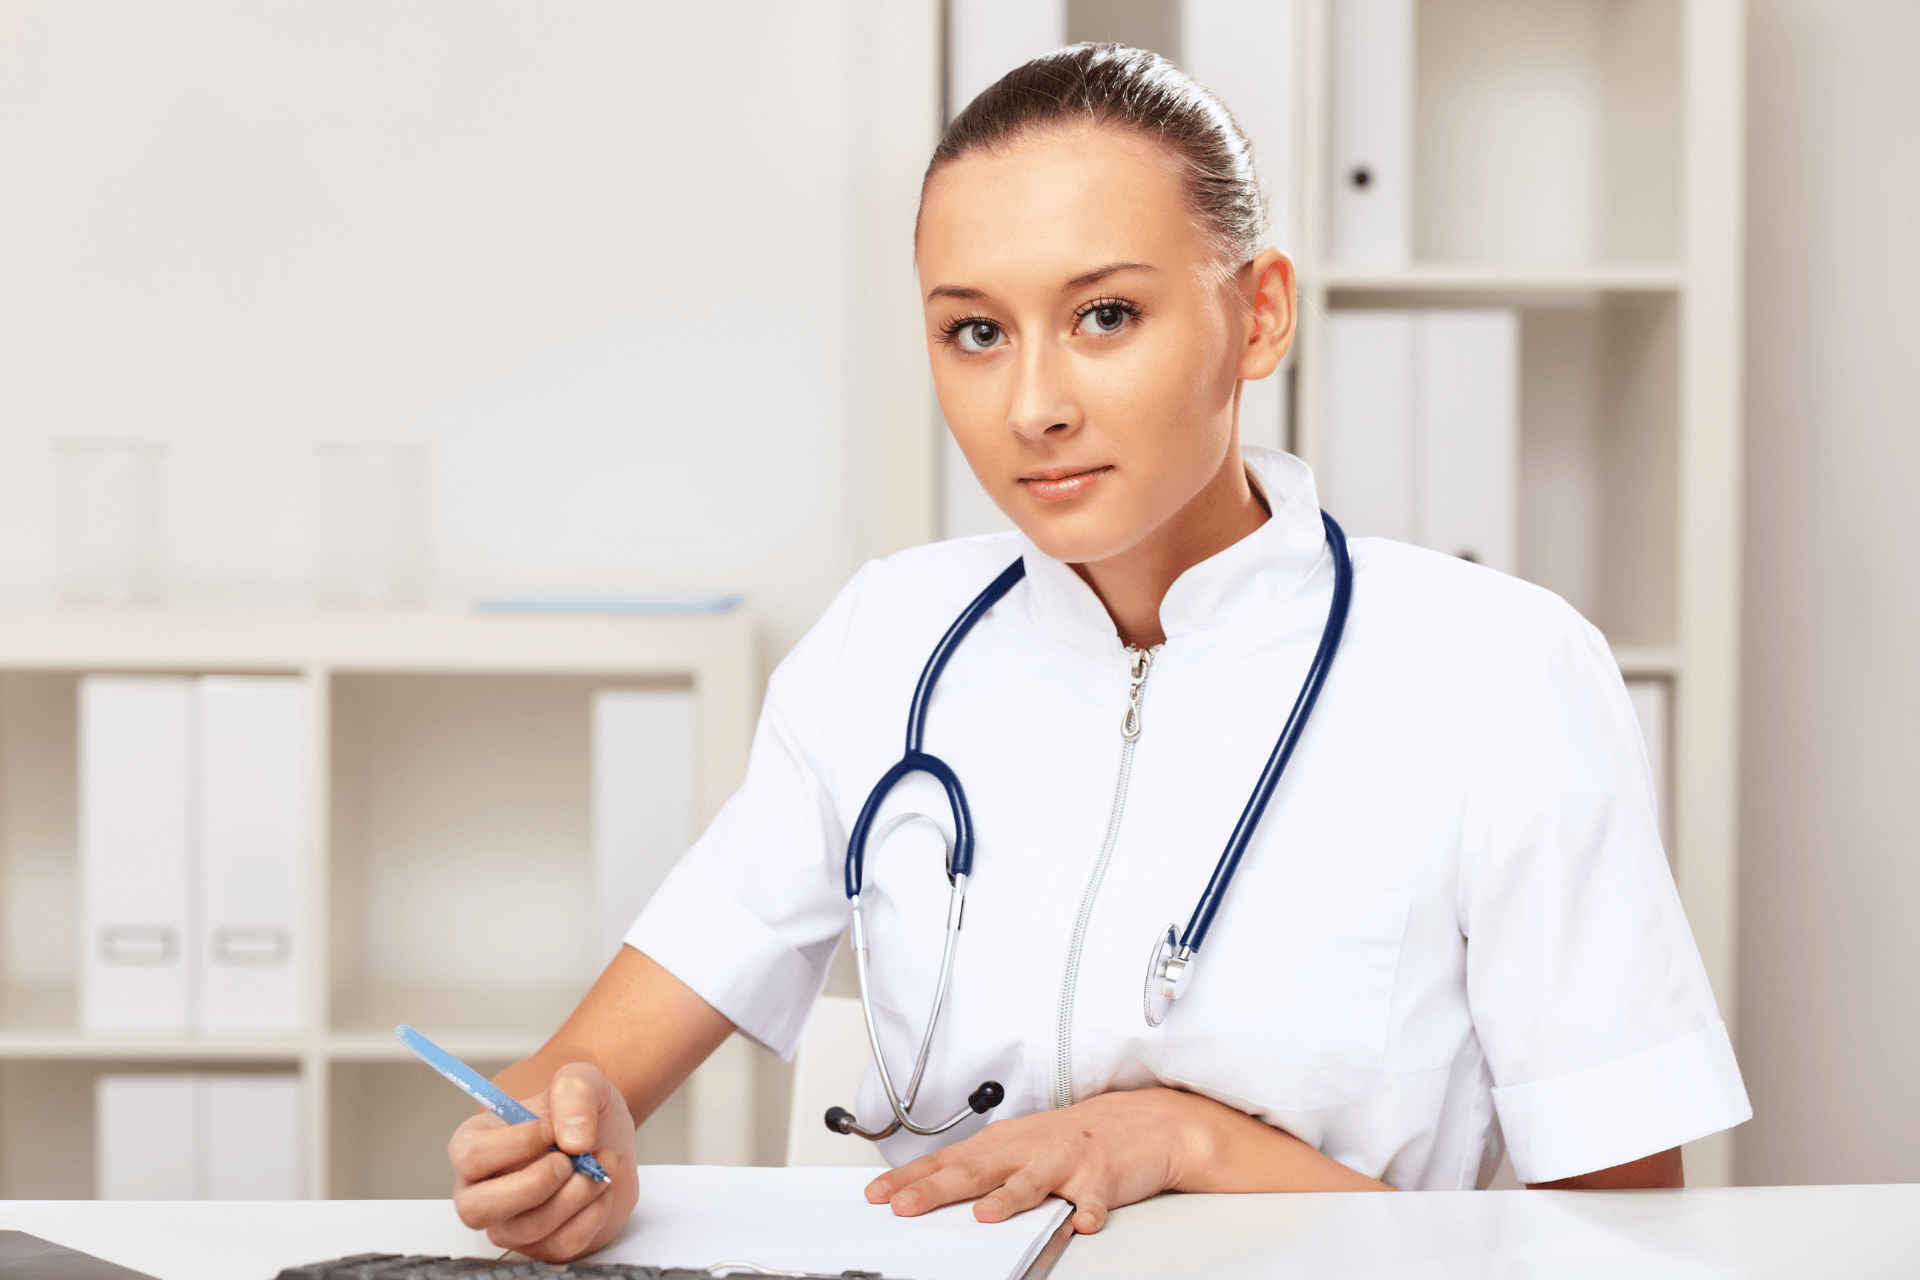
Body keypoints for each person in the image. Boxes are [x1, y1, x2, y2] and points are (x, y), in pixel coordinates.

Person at [447, 44, 1750, 1262]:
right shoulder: (885, 645)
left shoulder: (1499, 675)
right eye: (976, 331)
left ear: (1260, 317)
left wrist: (1191, 1142)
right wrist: (558, 1147)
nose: (1033, 406)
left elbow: (1622, 1253)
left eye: (1107, 315)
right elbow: (572, 1082)